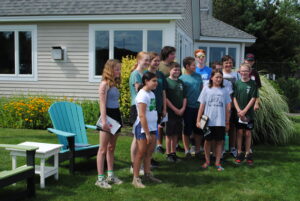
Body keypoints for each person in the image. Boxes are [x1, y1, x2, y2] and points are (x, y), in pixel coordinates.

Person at [96, 59, 123, 189]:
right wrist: (104, 121)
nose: (119, 71)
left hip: (116, 116)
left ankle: (110, 175)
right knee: (102, 149)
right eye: (117, 69)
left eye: (119, 69)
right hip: (107, 117)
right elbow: (102, 103)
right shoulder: (104, 84)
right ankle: (100, 179)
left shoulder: (114, 84)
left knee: (111, 148)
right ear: (110, 70)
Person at [197, 69, 231, 171]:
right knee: (207, 141)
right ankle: (207, 161)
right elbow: (201, 105)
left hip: (220, 121)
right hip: (207, 121)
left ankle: (217, 162)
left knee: (219, 142)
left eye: (220, 77)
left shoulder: (225, 90)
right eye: (216, 77)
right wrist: (198, 120)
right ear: (211, 78)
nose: (219, 79)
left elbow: (227, 107)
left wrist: (227, 121)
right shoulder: (206, 88)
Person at [132, 72, 162, 188]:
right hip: (143, 128)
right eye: (154, 81)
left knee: (149, 153)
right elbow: (142, 116)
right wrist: (147, 133)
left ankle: (147, 174)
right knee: (141, 153)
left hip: (153, 127)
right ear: (146, 81)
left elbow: (152, 111)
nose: (156, 83)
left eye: (156, 81)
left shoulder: (151, 94)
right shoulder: (142, 95)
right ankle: (136, 178)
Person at [129, 52, 150, 174]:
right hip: (136, 107)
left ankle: (139, 164)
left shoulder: (143, 74)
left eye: (148, 60)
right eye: (145, 60)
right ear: (139, 60)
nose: (147, 62)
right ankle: (134, 165)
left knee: (138, 138)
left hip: (142, 107)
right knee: (136, 138)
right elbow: (139, 90)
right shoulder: (135, 74)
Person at [233, 63, 258, 165]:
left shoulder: (253, 84)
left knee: (247, 133)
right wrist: (239, 110)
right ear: (239, 71)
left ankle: (248, 153)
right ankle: (239, 152)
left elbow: (253, 98)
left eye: (246, 71)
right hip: (238, 113)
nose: (244, 73)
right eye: (242, 71)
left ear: (249, 72)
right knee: (239, 132)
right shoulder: (237, 83)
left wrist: (245, 111)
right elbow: (234, 98)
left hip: (249, 114)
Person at [179, 57, 203, 158]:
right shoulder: (181, 79)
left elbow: (202, 90)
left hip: (198, 107)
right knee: (187, 130)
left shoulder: (198, 76)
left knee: (198, 129)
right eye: (193, 65)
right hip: (188, 108)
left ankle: (197, 150)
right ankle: (187, 150)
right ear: (187, 66)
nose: (195, 66)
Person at [165, 62, 187, 162]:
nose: (177, 71)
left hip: (180, 111)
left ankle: (174, 152)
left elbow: (184, 97)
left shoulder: (181, 82)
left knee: (175, 134)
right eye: (175, 69)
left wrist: (182, 108)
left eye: (178, 70)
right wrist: (175, 109)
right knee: (169, 133)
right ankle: (168, 153)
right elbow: (165, 98)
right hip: (170, 111)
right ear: (170, 70)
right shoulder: (167, 81)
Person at [146, 52, 167, 155]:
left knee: (154, 132)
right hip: (149, 108)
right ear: (149, 61)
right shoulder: (145, 74)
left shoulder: (160, 75)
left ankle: (151, 157)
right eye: (155, 61)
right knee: (148, 132)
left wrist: (164, 108)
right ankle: (147, 157)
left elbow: (163, 92)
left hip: (158, 107)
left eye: (158, 61)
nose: (157, 63)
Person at [221, 55, 239, 158]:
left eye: (230, 62)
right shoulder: (219, 74)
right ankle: (222, 149)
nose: (228, 64)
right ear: (223, 64)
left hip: (233, 105)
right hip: (220, 106)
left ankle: (233, 148)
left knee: (233, 128)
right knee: (222, 128)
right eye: (226, 63)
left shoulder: (236, 75)